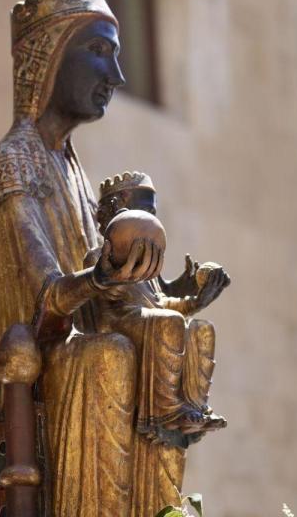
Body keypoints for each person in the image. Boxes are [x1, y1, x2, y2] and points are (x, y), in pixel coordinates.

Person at [0, 0, 165, 516]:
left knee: (174, 335)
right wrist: (103, 275)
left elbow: (102, 290)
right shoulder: (13, 159)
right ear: (49, 59)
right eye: (99, 52)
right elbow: (46, 297)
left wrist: (158, 291)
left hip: (82, 342)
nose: (117, 77)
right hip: (42, 358)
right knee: (109, 354)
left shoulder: (75, 170)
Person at [85, 171, 230, 446]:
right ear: (121, 211)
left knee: (202, 329)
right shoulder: (100, 256)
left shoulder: (150, 268)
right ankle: (164, 408)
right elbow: (109, 297)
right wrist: (117, 272)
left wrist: (196, 302)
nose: (153, 221)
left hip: (146, 319)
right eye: (146, 212)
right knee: (169, 322)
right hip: (119, 321)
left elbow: (160, 302)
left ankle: (195, 407)